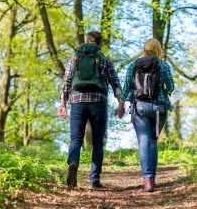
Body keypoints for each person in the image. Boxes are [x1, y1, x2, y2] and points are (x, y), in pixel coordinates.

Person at [58, 31, 122, 189]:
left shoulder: (74, 60)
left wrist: (63, 104)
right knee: (98, 143)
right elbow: (115, 83)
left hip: (77, 102)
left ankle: (73, 162)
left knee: (76, 140)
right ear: (100, 44)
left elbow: (66, 82)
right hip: (98, 102)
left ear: (86, 41)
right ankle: (94, 179)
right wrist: (120, 104)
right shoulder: (105, 60)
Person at [116, 38, 174, 192]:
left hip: (140, 108)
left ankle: (147, 179)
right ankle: (153, 178)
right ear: (158, 50)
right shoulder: (164, 65)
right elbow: (171, 86)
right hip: (159, 108)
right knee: (153, 142)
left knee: (143, 141)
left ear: (144, 49)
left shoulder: (133, 66)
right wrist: (163, 92)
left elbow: (126, 89)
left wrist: (121, 108)